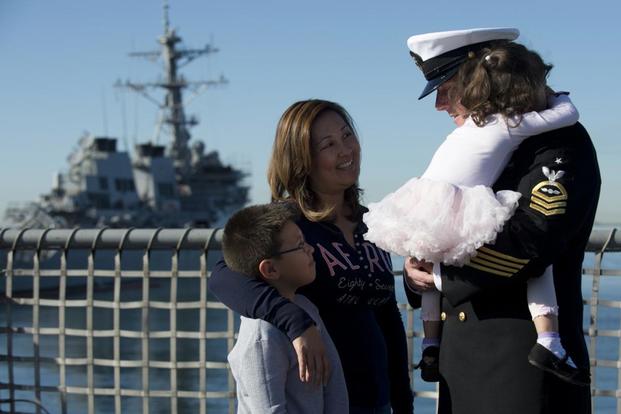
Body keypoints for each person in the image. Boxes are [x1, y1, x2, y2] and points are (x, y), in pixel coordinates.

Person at [362, 38, 585, 385]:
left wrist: (438, 275)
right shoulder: (487, 131)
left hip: (514, 373)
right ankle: (433, 346)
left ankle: (548, 342)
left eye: (448, 89)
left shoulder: (558, 143)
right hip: (463, 366)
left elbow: (532, 243)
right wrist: (415, 273)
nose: (439, 105)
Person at [209, 100, 414, 413]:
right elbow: (225, 276)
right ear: (303, 160)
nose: (346, 150)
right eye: (328, 144)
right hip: (322, 403)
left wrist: (403, 401)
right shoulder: (289, 223)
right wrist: (298, 324)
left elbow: (386, 315)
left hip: (378, 402)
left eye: (347, 136)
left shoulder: (372, 223)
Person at [223, 203, 348, 413]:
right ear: (270, 268)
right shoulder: (261, 337)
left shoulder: (305, 307)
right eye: (300, 245)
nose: (311, 249)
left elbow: (335, 383)